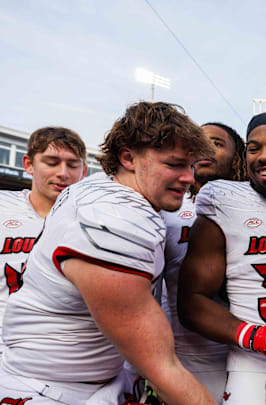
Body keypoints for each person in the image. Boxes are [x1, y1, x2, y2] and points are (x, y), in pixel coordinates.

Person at [0, 101, 216, 404]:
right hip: (49, 389)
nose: (190, 178)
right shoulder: (112, 219)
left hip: (92, 377)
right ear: (128, 157)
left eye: (192, 166)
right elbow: (162, 368)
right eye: (175, 164)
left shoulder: (100, 190)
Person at [178, 112, 266, 405]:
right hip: (253, 362)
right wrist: (260, 337)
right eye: (254, 148)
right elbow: (192, 300)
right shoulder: (225, 200)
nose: (264, 156)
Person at [160, 122, 245, 402]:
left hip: (247, 353)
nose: (206, 149)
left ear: (237, 158)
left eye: (217, 143)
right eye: (200, 142)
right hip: (182, 354)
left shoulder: (253, 208)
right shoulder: (166, 206)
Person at [0, 127, 87, 355]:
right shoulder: (3, 207)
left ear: (84, 171)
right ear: (29, 164)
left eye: (72, 164)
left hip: (59, 353)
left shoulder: (92, 220)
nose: (63, 173)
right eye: (51, 162)